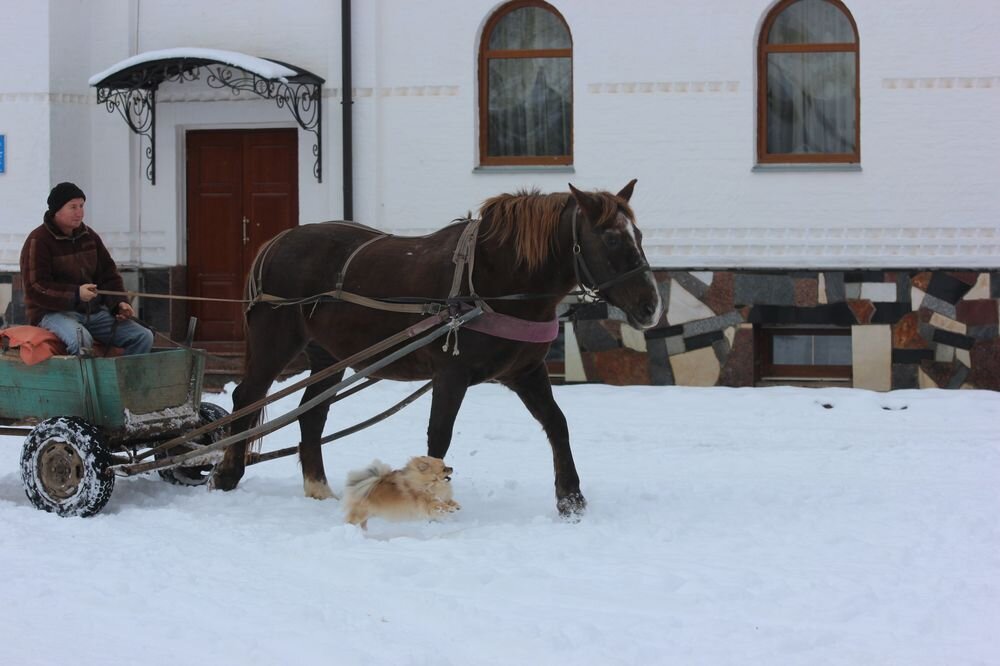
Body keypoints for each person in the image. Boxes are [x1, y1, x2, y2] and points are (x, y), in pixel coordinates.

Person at [19, 182, 153, 356]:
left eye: (81, 206)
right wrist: (76, 294)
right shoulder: (39, 241)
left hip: (93, 312)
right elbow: (35, 287)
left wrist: (119, 303)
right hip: (52, 314)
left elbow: (108, 275)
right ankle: (81, 383)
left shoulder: (89, 236)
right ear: (56, 210)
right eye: (72, 207)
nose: (79, 212)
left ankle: (124, 382)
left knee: (143, 336)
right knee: (81, 340)